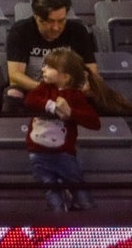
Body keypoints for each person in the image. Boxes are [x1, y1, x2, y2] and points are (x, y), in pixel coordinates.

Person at [25, 48, 102, 211]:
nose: (43, 69)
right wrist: (50, 105)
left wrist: (70, 112)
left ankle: (88, 215)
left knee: (78, 187)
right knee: (50, 189)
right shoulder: (44, 88)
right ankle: (58, 217)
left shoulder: (75, 96)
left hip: (63, 155)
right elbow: (30, 100)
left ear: (65, 76)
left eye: (49, 67)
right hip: (38, 153)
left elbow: (94, 122)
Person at [4, 0, 99, 107]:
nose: (56, 27)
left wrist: (85, 85)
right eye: (49, 21)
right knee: (13, 93)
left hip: (69, 88)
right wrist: (48, 91)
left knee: (94, 92)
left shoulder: (78, 31)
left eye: (61, 21)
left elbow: (91, 70)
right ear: (37, 17)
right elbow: (15, 75)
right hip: (33, 86)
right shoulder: (21, 30)